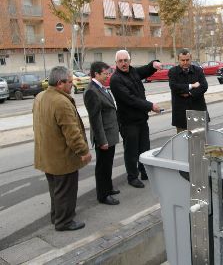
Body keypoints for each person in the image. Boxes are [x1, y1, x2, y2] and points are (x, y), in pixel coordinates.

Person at [32, 66, 92, 231]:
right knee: (66, 190)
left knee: (56, 190)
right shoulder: (61, 101)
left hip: (47, 155)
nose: (72, 85)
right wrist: (84, 151)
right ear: (60, 83)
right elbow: (72, 133)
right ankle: (64, 221)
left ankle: (56, 217)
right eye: (70, 82)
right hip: (62, 157)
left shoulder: (40, 96)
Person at [110, 49, 162, 188]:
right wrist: (151, 106)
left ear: (129, 61)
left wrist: (153, 64)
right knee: (131, 151)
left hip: (141, 119)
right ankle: (132, 177)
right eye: (120, 61)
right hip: (128, 122)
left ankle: (145, 171)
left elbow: (145, 70)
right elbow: (130, 100)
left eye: (125, 60)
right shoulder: (116, 80)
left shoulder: (132, 72)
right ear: (116, 63)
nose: (123, 63)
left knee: (144, 148)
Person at [84, 62, 120, 206]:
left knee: (108, 164)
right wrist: (102, 140)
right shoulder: (92, 91)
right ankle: (103, 195)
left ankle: (108, 187)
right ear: (96, 74)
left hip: (110, 133)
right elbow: (95, 119)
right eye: (105, 73)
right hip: (103, 136)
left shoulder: (102, 88)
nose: (108, 76)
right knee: (102, 167)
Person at [168, 49, 208, 133]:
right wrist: (192, 86)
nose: (185, 62)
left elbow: (204, 86)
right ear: (178, 60)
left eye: (187, 60)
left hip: (198, 111)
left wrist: (190, 93)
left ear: (191, 59)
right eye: (182, 60)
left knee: (200, 140)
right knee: (182, 141)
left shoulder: (198, 70)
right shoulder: (173, 72)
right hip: (181, 113)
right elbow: (174, 87)